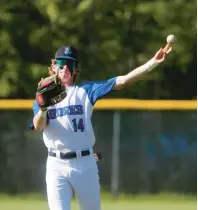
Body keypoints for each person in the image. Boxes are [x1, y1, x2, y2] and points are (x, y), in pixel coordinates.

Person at [32, 45, 172, 210]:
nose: (65, 68)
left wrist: (152, 63)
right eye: (61, 64)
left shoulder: (85, 91)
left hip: (85, 163)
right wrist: (43, 109)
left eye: (70, 64)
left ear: (76, 69)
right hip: (56, 164)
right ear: (54, 66)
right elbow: (38, 126)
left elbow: (123, 81)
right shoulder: (44, 96)